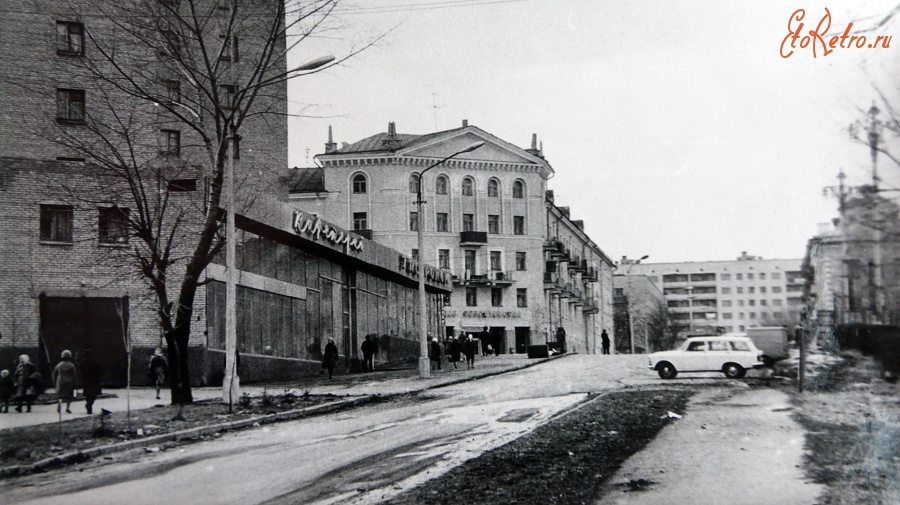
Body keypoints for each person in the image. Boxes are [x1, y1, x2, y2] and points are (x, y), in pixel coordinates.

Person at [79, 349, 102, 414]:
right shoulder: (96, 362)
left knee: (87, 394)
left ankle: (89, 406)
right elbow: (100, 371)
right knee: (94, 394)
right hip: (94, 380)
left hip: (86, 381)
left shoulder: (82, 363)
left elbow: (81, 372)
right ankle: (89, 405)